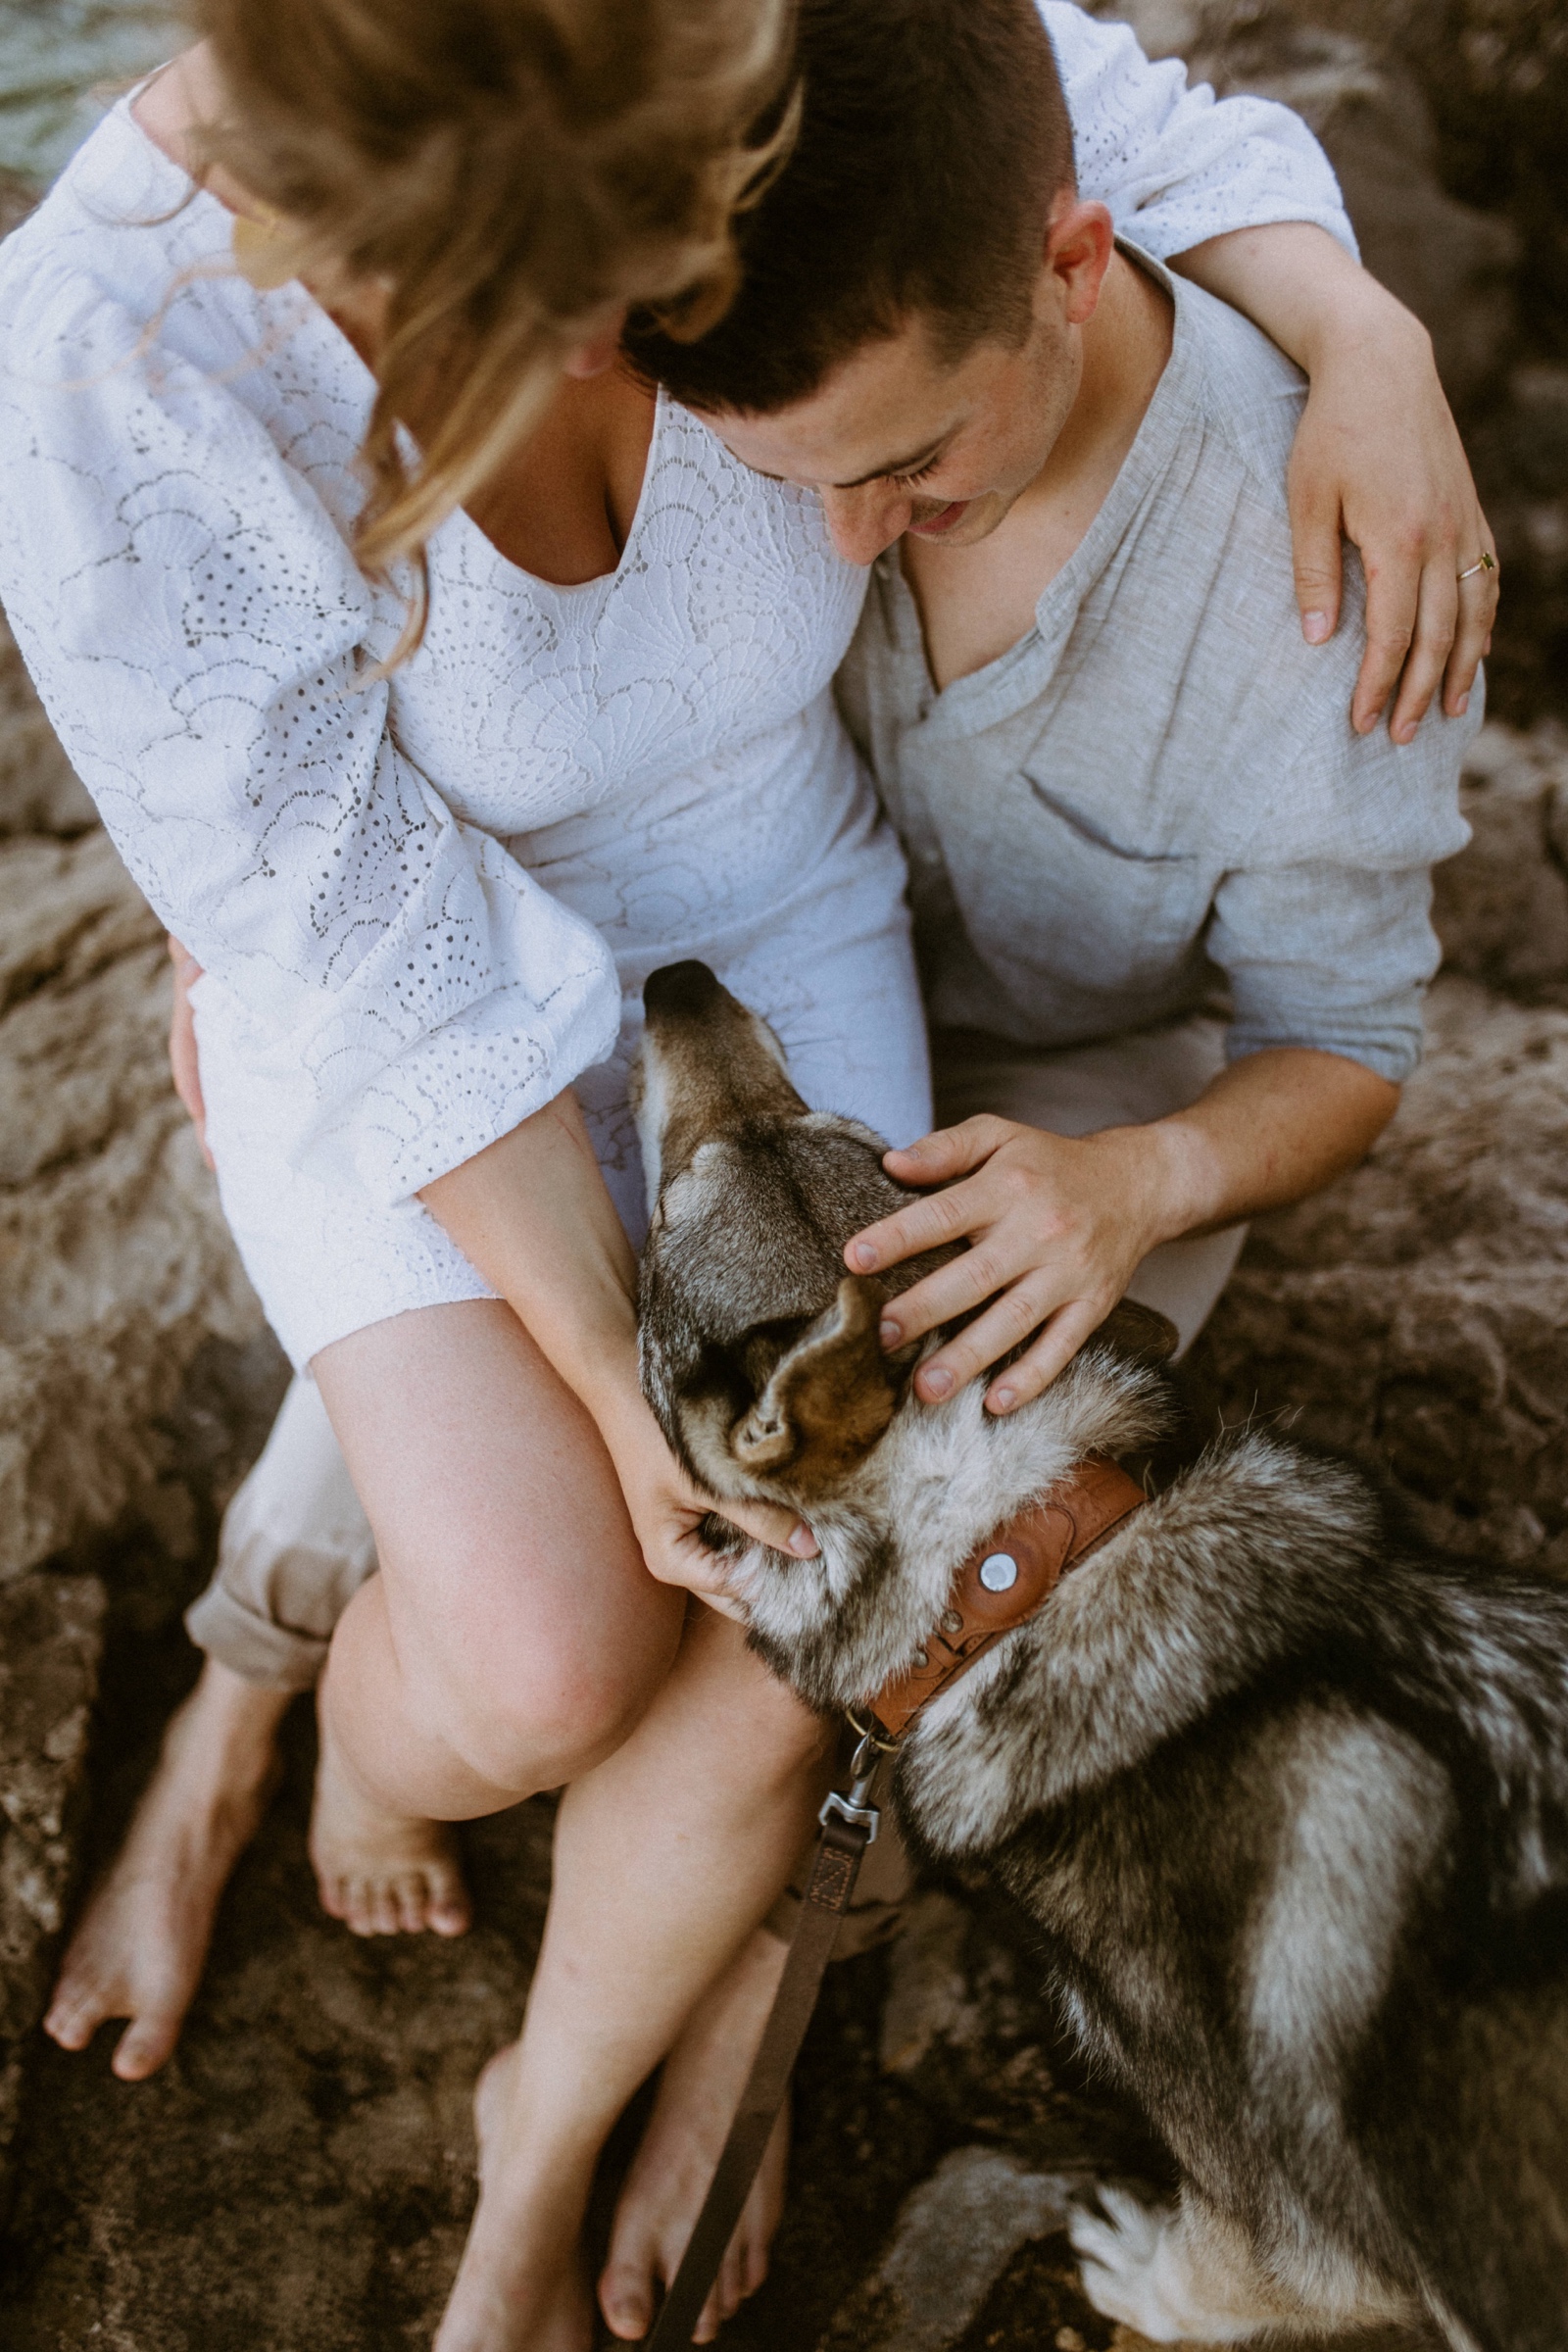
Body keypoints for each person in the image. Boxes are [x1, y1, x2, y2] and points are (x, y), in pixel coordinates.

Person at [0, 8, 1492, 2352]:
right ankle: (248, 1715)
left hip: (779, 908)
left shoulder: (739, 47)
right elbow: (369, 952)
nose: (641, 333)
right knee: (535, 1657)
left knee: (802, 1625)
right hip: (429, 996)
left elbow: (1092, 139)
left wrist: (1371, 340)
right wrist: (602, 1385)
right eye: (591, 274)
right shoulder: (111, 360)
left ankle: (609, 2086)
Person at [632, 0, 1479, 1428]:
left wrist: (1142, 1181)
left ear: (1073, 267)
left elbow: (1338, 1040)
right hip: (720, 1012)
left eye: (912, 461)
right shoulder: (738, 335)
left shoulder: (1326, 575)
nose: (847, 544)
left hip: (1075, 1089)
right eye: (791, 483)